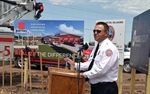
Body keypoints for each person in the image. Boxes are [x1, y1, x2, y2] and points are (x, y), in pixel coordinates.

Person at [64, 22, 120, 94]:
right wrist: (75, 65)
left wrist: (84, 75)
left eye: (98, 31)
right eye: (94, 31)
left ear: (106, 33)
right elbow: (91, 64)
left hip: (106, 88)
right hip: (97, 88)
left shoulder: (109, 48)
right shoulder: (98, 46)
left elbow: (101, 70)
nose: (95, 33)